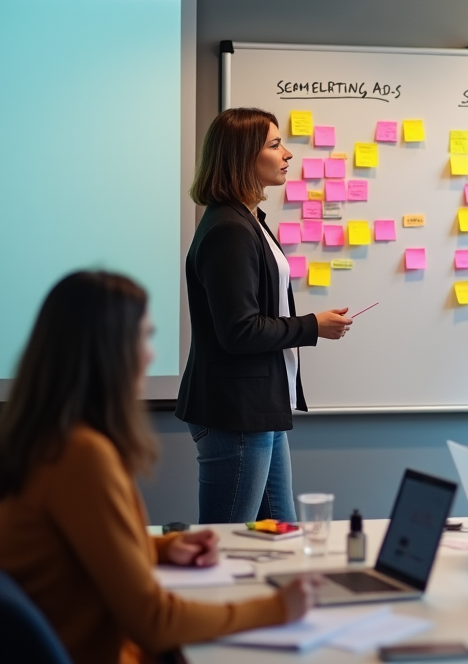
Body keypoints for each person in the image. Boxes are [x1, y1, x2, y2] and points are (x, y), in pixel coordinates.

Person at [0, 271, 318, 664]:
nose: (150, 354)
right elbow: (154, 620)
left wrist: (165, 548)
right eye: (142, 337)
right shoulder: (82, 456)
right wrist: (277, 608)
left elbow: (77, 553)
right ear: (106, 350)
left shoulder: (46, 438)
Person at [176, 108, 352, 524]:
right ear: (241, 157)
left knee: (282, 535)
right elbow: (239, 331)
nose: (287, 154)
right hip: (236, 412)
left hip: (259, 407)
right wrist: (313, 327)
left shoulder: (247, 221)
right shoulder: (229, 230)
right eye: (274, 145)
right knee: (227, 540)